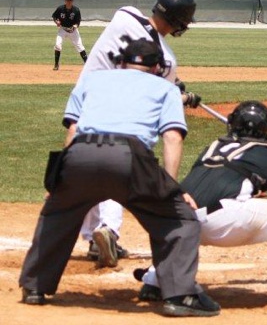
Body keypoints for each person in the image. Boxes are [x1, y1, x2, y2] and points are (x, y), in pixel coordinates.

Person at [18, 38, 220, 317]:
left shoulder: (92, 80)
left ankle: (34, 287)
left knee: (57, 214)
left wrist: (59, 182)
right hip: (130, 158)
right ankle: (180, 295)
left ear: (121, 62)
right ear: (157, 67)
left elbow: (73, 131)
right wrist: (171, 189)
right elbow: (172, 137)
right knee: (179, 219)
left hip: (81, 154)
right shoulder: (165, 87)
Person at [133, 101, 267, 311]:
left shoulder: (212, 148)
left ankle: (155, 281)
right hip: (224, 223)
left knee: (196, 210)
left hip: (182, 224)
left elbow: (207, 187)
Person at [77, 0, 202, 268]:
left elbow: (137, 49)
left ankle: (92, 237)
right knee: (117, 169)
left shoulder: (125, 14)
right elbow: (161, 91)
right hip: (121, 116)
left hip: (86, 101)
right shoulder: (166, 59)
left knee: (86, 167)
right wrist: (185, 96)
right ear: (180, 23)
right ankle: (108, 228)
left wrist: (172, 79)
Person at [52, 0, 88, 70]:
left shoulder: (76, 10)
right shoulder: (60, 9)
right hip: (63, 29)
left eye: (70, 1)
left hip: (73, 31)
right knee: (58, 45)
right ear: (65, 1)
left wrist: (76, 26)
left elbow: (78, 22)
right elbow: (54, 16)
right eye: (68, 0)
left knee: (80, 46)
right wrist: (56, 22)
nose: (69, 2)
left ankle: (87, 64)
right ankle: (56, 65)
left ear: (72, 1)